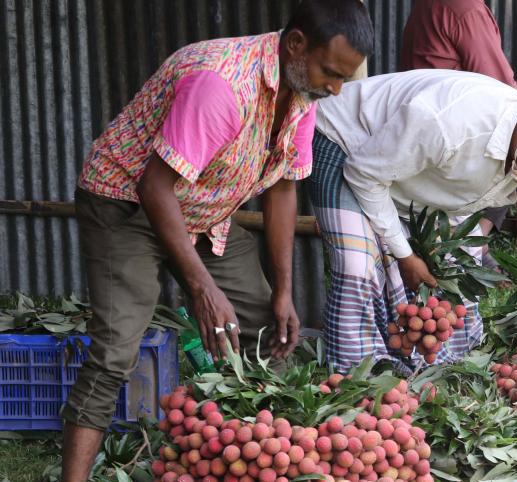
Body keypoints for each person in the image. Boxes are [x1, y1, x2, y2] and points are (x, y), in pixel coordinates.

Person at [61, 1, 373, 480]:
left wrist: (284, 289)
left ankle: (251, 452)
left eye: (342, 80)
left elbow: (284, 186)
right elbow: (154, 187)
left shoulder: (304, 94)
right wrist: (203, 290)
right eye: (330, 73)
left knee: (270, 324)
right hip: (127, 203)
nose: (334, 89)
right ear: (295, 44)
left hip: (205, 210)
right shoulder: (221, 85)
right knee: (116, 352)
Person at [309, 69, 517, 374]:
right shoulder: (449, 124)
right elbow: (364, 174)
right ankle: (356, 377)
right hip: (347, 145)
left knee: (455, 267)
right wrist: (405, 254)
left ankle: (417, 367)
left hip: (405, 174)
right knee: (359, 263)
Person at [401, 0, 517, 262]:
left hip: (427, 119)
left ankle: (472, 237)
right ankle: (475, 238)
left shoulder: (426, 4)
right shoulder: (466, 9)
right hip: (450, 126)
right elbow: (499, 84)